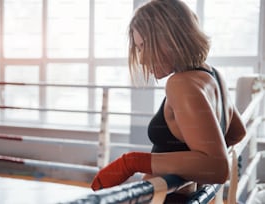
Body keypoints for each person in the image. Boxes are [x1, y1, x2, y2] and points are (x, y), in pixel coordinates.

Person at [91, 0, 246, 202]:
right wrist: (190, 167)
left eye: (144, 45)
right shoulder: (214, 75)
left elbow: (217, 167)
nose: (142, 59)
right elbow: (236, 132)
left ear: (171, 36)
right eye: (138, 49)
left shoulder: (181, 84)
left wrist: (131, 162)